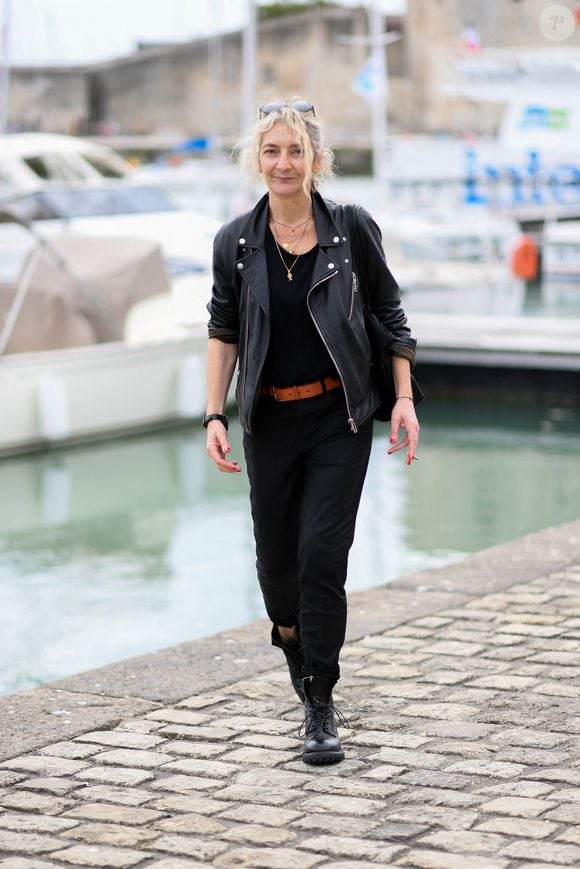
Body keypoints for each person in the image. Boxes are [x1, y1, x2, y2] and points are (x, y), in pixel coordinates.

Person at [204, 99, 419, 765]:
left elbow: (388, 310)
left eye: (295, 150)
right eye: (272, 151)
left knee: (323, 555)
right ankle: (297, 648)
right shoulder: (236, 243)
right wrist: (214, 411)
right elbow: (223, 329)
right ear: (257, 161)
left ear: (316, 159)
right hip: (269, 420)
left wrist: (404, 398)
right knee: (278, 573)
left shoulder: (350, 229)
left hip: (338, 416)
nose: (284, 163)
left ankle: (320, 701)